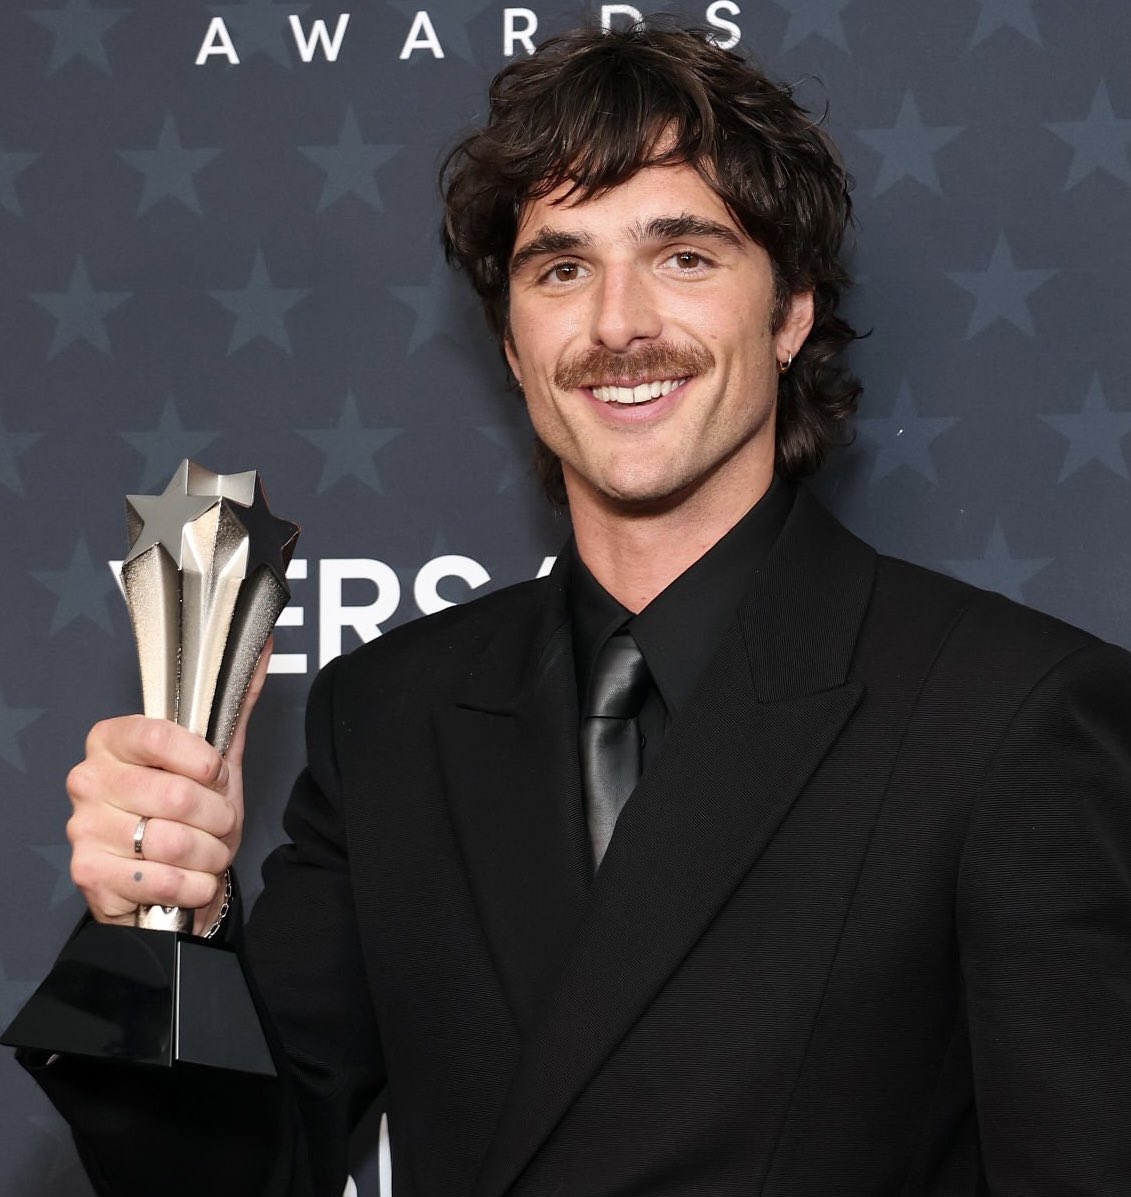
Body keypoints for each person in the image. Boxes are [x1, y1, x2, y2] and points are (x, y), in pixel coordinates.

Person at [23, 21, 1131, 1197]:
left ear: (791, 310)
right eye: (561, 269)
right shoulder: (391, 718)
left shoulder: (1008, 715)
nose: (617, 324)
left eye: (684, 256)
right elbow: (236, 1174)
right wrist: (166, 925)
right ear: (511, 342)